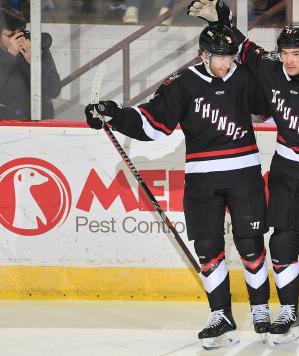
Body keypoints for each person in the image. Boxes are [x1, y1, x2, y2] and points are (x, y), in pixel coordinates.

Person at [84, 24, 272, 350]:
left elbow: (269, 105)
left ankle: (260, 309)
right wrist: (113, 115)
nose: (226, 63)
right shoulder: (182, 83)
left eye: (230, 57)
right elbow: (154, 123)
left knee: (251, 245)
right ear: (203, 55)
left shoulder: (243, 77)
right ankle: (220, 316)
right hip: (202, 179)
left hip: (244, 174)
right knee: (208, 249)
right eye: (220, 58)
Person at [188, 0, 299, 346]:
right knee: (281, 241)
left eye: (297, 53)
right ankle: (288, 310)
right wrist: (222, 18)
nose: (290, 59)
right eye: (285, 52)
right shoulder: (269, 66)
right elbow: (241, 47)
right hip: (287, 171)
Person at [0, 5, 60, 119]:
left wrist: (33, 62)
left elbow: (54, 89)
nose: (17, 40)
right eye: (11, 35)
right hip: (5, 121)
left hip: (38, 117)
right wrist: (10, 56)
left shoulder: (35, 46)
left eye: (20, 34)